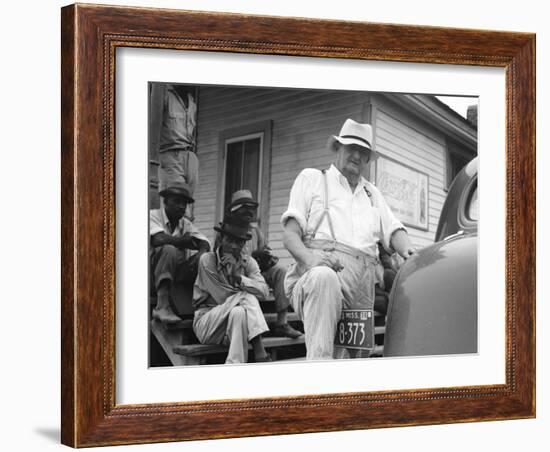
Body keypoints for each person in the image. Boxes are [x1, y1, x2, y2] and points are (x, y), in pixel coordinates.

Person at [281, 118, 416, 360]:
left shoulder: (371, 193)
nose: (356, 155)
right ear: (338, 148)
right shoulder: (313, 179)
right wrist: (312, 261)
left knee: (354, 361)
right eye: (351, 148)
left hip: (361, 285)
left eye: (362, 152)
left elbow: (394, 229)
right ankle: (319, 384)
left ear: (367, 159)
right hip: (316, 275)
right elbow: (290, 236)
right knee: (325, 279)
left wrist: (407, 250)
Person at [193, 215, 272, 364]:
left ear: (244, 243)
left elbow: (264, 292)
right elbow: (222, 298)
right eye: (230, 240)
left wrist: (238, 277)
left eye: (239, 242)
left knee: (239, 312)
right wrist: (242, 287)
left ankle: (234, 366)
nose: (234, 246)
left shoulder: (248, 262)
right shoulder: (207, 260)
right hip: (207, 323)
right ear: (221, 238)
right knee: (245, 297)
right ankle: (259, 349)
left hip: (232, 329)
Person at [226, 190, 303, 339]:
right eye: (245, 208)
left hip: (256, 273)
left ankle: (282, 323)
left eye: (251, 209)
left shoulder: (254, 230)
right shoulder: (227, 229)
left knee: (281, 271)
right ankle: (254, 332)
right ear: (235, 210)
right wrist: (253, 257)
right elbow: (227, 257)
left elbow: (264, 248)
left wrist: (265, 256)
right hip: (235, 274)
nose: (249, 212)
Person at [150, 181, 210, 324]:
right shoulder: (152, 215)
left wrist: (201, 252)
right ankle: (162, 306)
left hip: (174, 278)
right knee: (169, 249)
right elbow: (158, 238)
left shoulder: (185, 223)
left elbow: (204, 242)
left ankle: (200, 306)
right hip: (150, 276)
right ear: (165, 202)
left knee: (206, 258)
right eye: (177, 201)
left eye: (185, 203)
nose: (182, 207)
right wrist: (183, 241)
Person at [150, 83, 199, 195]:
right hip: (171, 153)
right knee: (176, 195)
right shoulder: (164, 94)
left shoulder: (192, 102)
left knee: (187, 201)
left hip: (191, 156)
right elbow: (152, 125)